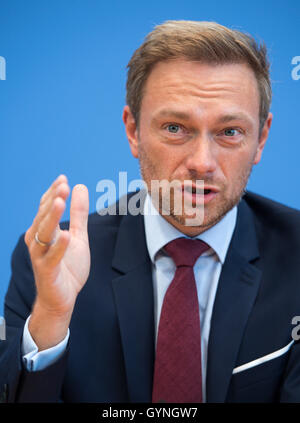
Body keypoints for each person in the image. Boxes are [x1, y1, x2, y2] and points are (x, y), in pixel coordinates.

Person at [1, 19, 300, 403]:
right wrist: (52, 319)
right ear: (133, 131)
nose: (202, 162)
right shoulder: (51, 262)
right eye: (176, 127)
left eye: (229, 132)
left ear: (261, 138)